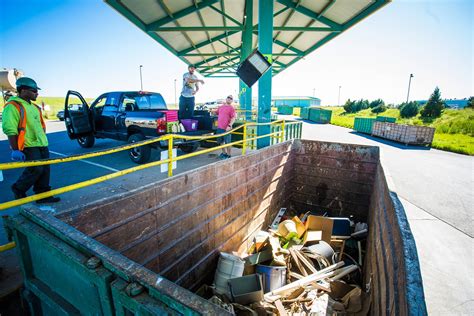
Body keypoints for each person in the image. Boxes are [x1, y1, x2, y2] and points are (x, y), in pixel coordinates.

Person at [2, 77, 60, 203]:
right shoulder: (13, 106)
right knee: (35, 169)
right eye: (33, 90)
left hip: (41, 143)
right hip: (28, 145)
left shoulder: (34, 107)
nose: (36, 93)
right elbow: (10, 128)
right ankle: (18, 188)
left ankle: (43, 196)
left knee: (45, 170)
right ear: (22, 90)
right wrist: (15, 149)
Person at [215, 95, 236, 159]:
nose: (229, 99)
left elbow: (233, 118)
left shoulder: (231, 108)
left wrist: (229, 125)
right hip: (219, 128)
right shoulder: (221, 107)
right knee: (221, 142)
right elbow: (216, 113)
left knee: (228, 143)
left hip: (227, 129)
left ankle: (229, 155)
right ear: (226, 98)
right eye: (228, 97)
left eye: (231, 98)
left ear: (232, 100)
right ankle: (224, 153)